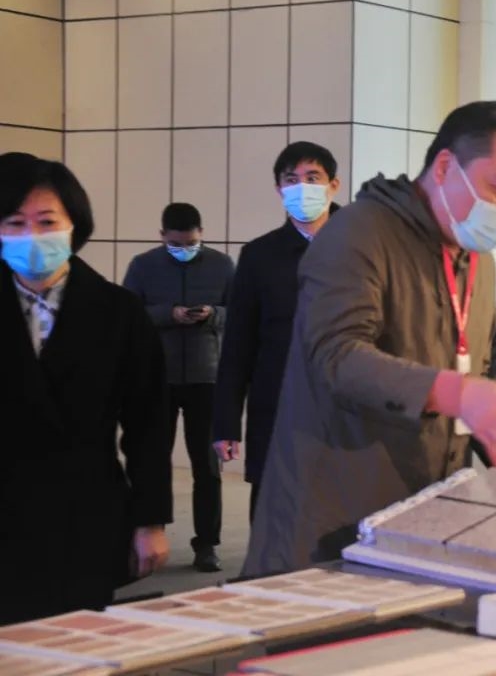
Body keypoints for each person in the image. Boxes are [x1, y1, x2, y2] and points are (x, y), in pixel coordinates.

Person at [244, 101, 496, 576]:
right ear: (445, 167)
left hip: (422, 519)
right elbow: (336, 355)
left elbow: (476, 365)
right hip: (331, 523)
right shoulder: (358, 233)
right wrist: (453, 392)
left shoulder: (477, 258)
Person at [0, 153, 171, 624]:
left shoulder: (119, 311)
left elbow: (149, 423)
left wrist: (150, 520)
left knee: (77, 639)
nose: (32, 235)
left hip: (84, 512)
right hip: (5, 513)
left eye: (46, 221)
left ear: (74, 225)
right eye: (14, 222)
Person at [212, 142, 341, 523]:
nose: (302, 187)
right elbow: (238, 343)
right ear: (279, 190)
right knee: (276, 520)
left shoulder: (364, 244)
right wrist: (226, 422)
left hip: (348, 408)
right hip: (279, 405)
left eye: (313, 178)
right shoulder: (259, 255)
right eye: (291, 180)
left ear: (333, 185)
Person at [123, 204, 234, 572]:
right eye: (176, 244)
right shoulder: (143, 266)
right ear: (162, 236)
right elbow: (127, 313)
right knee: (152, 461)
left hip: (207, 376)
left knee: (207, 466)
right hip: (158, 376)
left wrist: (213, 314)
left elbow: (239, 311)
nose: (184, 249)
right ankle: (144, 536)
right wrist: (167, 314)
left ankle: (207, 544)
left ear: (201, 234)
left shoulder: (222, 265)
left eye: (191, 243)